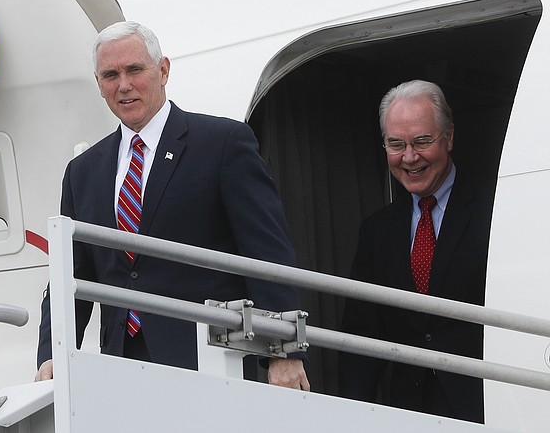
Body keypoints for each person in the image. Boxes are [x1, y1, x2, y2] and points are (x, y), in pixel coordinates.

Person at [35, 21, 309, 389]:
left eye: (135, 70)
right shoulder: (83, 172)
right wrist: (52, 354)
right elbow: (72, 275)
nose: (124, 85)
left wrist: (283, 352)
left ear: (163, 70)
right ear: (98, 84)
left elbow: (266, 256)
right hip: (123, 367)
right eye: (110, 75)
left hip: (213, 362)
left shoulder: (222, 144)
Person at [338, 80, 493, 422]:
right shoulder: (376, 231)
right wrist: (351, 418)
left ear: (449, 137)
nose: (409, 157)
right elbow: (362, 338)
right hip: (408, 412)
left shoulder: (495, 208)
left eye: (422, 141)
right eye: (396, 144)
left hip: (489, 406)